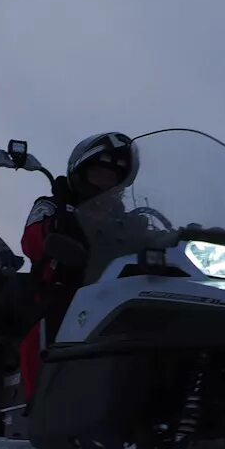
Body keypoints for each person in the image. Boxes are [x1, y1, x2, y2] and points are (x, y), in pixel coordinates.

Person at [17, 132, 139, 398]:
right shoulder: (52, 207)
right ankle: (40, 405)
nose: (105, 184)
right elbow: (31, 241)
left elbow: (149, 238)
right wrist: (55, 229)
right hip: (63, 292)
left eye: (112, 178)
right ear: (80, 173)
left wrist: (183, 235)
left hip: (115, 293)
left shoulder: (125, 220)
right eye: (99, 175)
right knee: (43, 332)